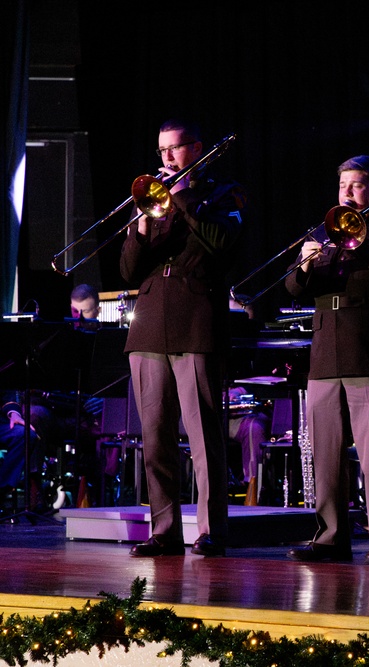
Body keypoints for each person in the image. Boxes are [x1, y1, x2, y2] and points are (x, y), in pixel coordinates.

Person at [120, 118, 246, 557]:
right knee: (154, 437)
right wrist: (139, 225)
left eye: (174, 149)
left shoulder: (221, 193)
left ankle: (211, 530)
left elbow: (219, 244)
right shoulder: (151, 198)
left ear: (196, 149)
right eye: (162, 151)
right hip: (150, 323)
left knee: (203, 437)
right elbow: (128, 272)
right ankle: (165, 530)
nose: (167, 158)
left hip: (196, 321)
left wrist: (184, 196)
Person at [285, 155, 369, 566]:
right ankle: (330, 536)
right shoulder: (322, 231)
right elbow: (292, 287)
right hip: (325, 353)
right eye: (343, 186)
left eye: (357, 185)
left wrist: (366, 240)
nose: (348, 193)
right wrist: (305, 264)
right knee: (325, 452)